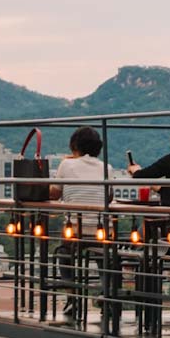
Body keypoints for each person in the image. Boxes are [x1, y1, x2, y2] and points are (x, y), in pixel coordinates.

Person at [49, 126, 113, 324]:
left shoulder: (66, 166)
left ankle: (72, 297)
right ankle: (107, 295)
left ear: (74, 145)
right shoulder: (107, 168)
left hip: (75, 230)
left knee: (63, 254)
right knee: (104, 258)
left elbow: (54, 193)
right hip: (102, 229)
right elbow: (109, 197)